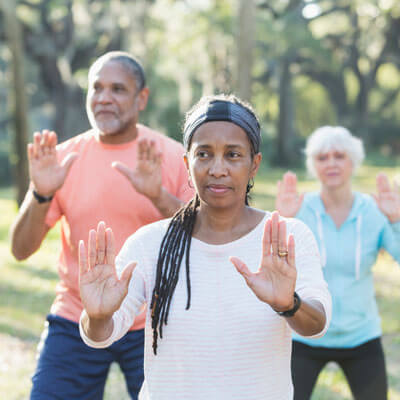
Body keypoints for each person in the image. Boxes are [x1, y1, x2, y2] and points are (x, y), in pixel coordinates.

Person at [78, 94, 332, 400]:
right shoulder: (150, 244)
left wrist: (288, 303)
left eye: (233, 155)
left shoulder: (286, 237)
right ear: (187, 163)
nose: (217, 168)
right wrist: (98, 316)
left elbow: (316, 324)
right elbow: (101, 335)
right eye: (204, 154)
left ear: (255, 164)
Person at [10, 51, 194, 400]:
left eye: (117, 89)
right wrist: (41, 193)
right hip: (76, 316)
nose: (104, 98)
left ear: (142, 98)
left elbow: (205, 237)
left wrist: (158, 196)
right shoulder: (64, 159)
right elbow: (20, 250)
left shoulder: (170, 157)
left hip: (155, 321)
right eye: (96, 88)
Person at [275, 126, 400, 400]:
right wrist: (283, 222)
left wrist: (395, 222)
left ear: (353, 160)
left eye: (339, 156)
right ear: (312, 164)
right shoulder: (298, 208)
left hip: (361, 336)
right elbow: (275, 267)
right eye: (322, 157)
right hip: (304, 332)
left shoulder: (373, 211)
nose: (331, 163)